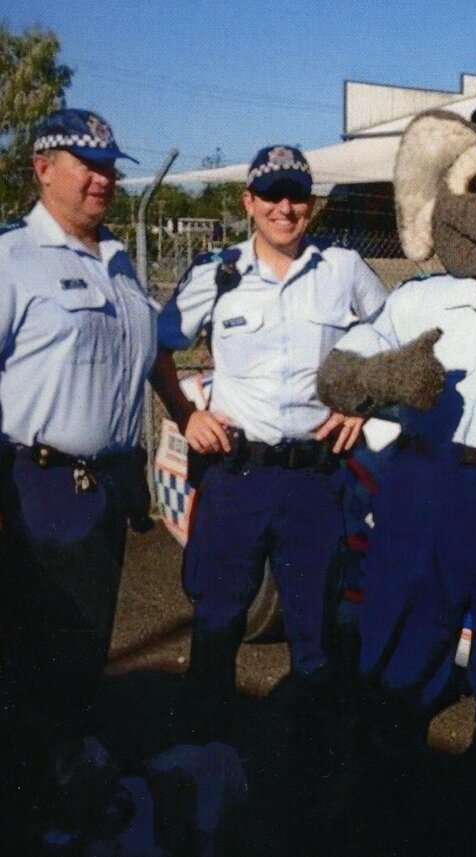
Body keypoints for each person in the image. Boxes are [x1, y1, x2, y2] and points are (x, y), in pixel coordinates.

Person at [152, 145, 388, 750]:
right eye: (272, 196)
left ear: (312, 203)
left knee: (316, 628)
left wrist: (360, 404)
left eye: (297, 196)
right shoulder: (218, 271)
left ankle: (308, 768)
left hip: (314, 477)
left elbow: (393, 338)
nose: (285, 208)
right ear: (249, 203)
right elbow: (157, 346)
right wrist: (186, 415)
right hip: (237, 474)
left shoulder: (343, 268)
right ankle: (202, 761)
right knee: (217, 620)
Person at [0, 108, 158, 849]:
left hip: (104, 489)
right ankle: (32, 808)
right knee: (35, 652)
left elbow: (151, 353)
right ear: (42, 168)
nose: (104, 180)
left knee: (81, 647)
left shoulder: (119, 262)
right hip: (37, 486)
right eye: (87, 166)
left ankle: (60, 782)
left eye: (110, 167)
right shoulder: (13, 258)